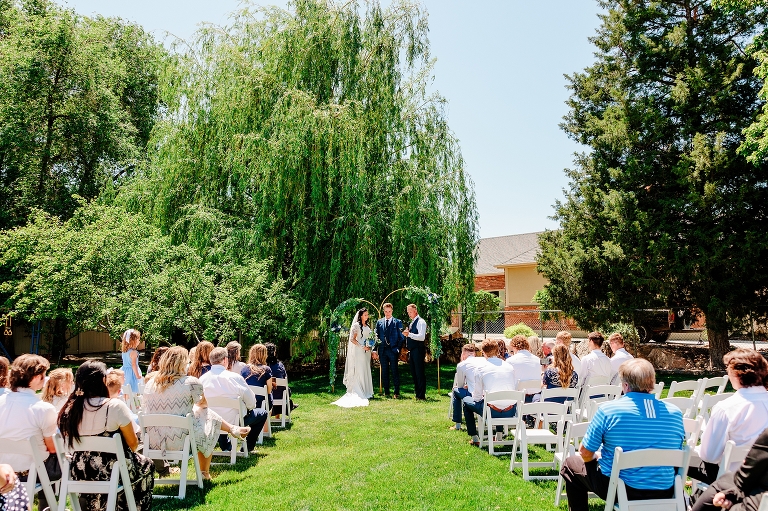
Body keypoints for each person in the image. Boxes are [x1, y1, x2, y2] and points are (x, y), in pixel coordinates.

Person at [560, 359, 685, 511]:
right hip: (665, 489)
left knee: (571, 464)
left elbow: (585, 452)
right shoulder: (675, 413)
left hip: (622, 489)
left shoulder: (609, 411)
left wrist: (597, 458)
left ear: (625, 385)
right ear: (652, 383)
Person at [58, 361, 154, 511]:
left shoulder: (69, 409)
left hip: (79, 471)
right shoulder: (114, 406)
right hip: (111, 470)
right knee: (146, 464)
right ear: (103, 380)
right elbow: (133, 444)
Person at [143, 346, 250, 481]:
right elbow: (203, 405)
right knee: (207, 416)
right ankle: (204, 472)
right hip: (181, 442)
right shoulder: (190, 383)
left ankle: (233, 429)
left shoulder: (150, 383)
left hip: (153, 441)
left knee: (201, 415)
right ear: (182, 364)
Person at [688, 348, 768, 485]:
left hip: (734, 478)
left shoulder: (727, 408)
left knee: (679, 460)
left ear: (737, 374)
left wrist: (693, 450)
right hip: (764, 476)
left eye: (728, 370)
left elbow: (710, 456)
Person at [0, 355, 60, 511]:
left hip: (2, 472)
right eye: (43, 375)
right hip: (31, 471)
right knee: (59, 458)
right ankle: (46, 506)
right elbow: (52, 448)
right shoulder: (43, 408)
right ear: (36, 377)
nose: (44, 379)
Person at [200, 347, 267, 453]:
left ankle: (226, 447)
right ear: (225, 360)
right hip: (235, 421)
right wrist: (248, 408)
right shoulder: (235, 378)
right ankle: (247, 448)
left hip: (210, 421)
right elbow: (251, 403)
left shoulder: (202, 379)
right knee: (262, 413)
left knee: (218, 414)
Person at [691, 426, 768, 511]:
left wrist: (733, 494)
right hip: (751, 486)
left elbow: (709, 456)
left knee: (687, 461)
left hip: (752, 500)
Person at [462, 340, 517, 446]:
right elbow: (513, 386)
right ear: (497, 350)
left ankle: (474, 437)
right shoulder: (509, 366)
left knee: (466, 402)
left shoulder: (481, 369)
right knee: (498, 398)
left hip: (492, 411)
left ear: (483, 352)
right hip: (511, 411)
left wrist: (480, 396)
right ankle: (499, 435)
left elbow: (477, 397)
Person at [332, 308, 375, 407]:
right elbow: (352, 339)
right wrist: (362, 346)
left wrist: (370, 346)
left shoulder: (367, 326)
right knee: (359, 369)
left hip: (366, 351)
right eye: (365, 315)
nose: (367, 316)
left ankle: (366, 391)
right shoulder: (356, 326)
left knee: (365, 369)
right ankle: (359, 390)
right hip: (359, 351)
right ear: (361, 316)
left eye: (367, 314)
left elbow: (369, 338)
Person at [450, 344, 486, 431]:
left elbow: (460, 385)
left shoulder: (462, 365)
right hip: (487, 392)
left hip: (474, 394)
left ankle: (457, 423)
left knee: (455, 391)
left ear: (463, 353)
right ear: (474, 353)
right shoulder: (484, 360)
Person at [373, 303, 404, 398]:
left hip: (393, 350)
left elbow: (401, 337)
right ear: (383, 311)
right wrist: (374, 350)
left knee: (395, 371)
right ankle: (386, 392)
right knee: (384, 371)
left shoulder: (397, 322)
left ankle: (396, 392)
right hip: (382, 350)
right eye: (386, 311)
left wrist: (398, 348)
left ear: (392, 311)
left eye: (389, 311)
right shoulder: (379, 322)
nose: (387, 313)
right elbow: (375, 337)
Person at [506, 335, 543, 402]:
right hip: (536, 397)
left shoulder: (510, 361)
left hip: (518, 398)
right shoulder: (538, 360)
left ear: (514, 347)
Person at [404, 303, 428, 400]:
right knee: (414, 372)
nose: (409, 314)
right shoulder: (412, 322)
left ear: (415, 311)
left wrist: (409, 334)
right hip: (412, 350)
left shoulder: (421, 322)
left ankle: (421, 395)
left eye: (410, 312)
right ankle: (417, 393)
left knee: (419, 372)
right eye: (408, 312)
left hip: (418, 350)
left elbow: (421, 337)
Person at [265, 342, 296, 415]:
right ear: (274, 352)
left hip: (265, 399)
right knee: (285, 390)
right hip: (280, 399)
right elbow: (285, 380)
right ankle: (289, 406)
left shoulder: (260, 367)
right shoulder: (280, 365)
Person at [241, 344, 273, 410]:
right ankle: (267, 417)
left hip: (247, 402)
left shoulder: (244, 369)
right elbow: (269, 391)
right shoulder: (266, 369)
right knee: (271, 396)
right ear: (264, 355)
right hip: (262, 403)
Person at [120, 329, 143, 393]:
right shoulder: (133, 352)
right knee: (132, 388)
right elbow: (133, 365)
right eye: (138, 339)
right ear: (133, 340)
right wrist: (137, 375)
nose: (139, 341)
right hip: (132, 373)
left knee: (125, 390)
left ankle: (126, 398)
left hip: (124, 371)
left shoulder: (124, 351)